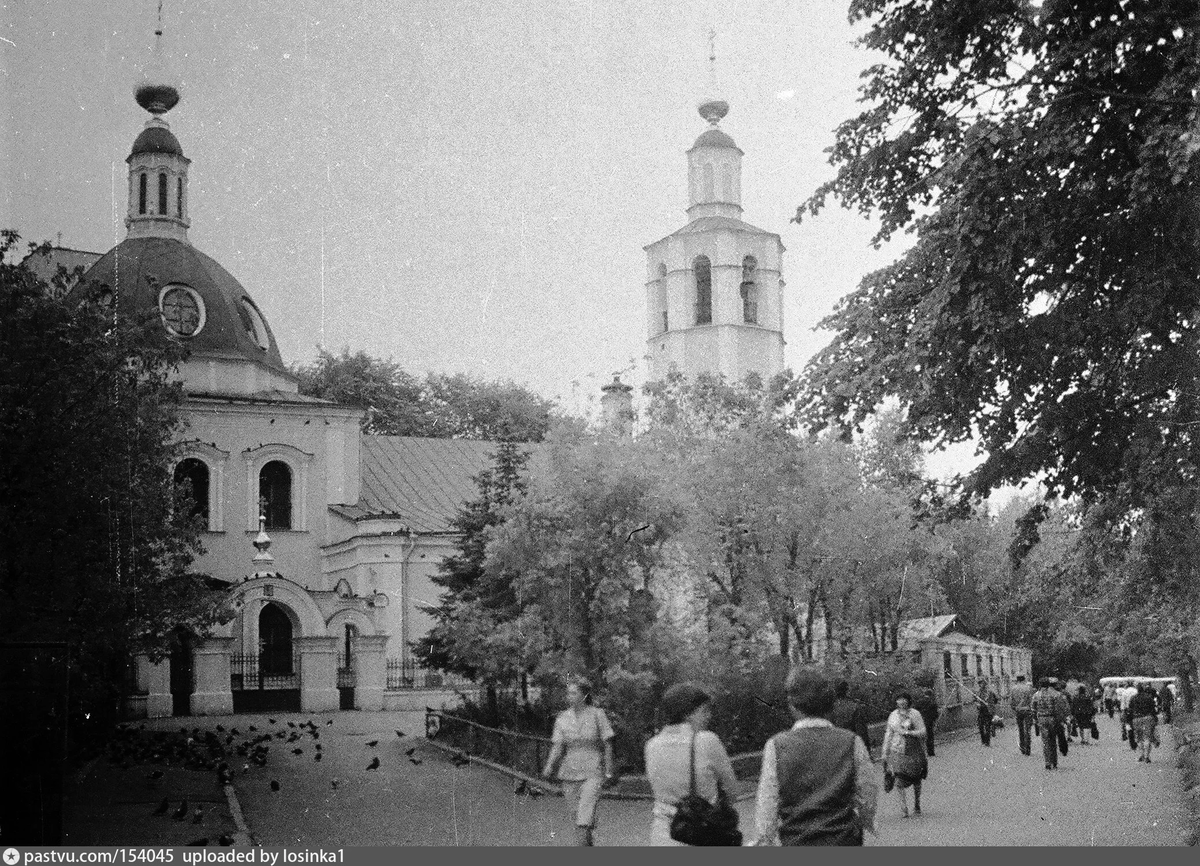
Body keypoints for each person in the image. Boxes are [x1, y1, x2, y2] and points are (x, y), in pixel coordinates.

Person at [751, 667, 877, 845]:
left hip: (798, 841)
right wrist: (867, 820)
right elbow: (867, 789)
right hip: (843, 840)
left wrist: (764, 840)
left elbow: (768, 801)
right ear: (829, 703)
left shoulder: (777, 746)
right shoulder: (851, 742)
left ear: (792, 705)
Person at [644, 682, 740, 846]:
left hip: (664, 834)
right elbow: (733, 791)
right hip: (703, 833)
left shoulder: (651, 745)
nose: (708, 716)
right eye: (704, 711)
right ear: (688, 714)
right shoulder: (707, 741)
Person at [542, 677, 617, 846]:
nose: (569, 696)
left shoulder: (597, 714)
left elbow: (607, 743)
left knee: (584, 818)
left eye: (574, 693)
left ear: (584, 695)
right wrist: (549, 766)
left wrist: (609, 770)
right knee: (578, 819)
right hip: (569, 772)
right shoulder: (562, 718)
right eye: (568, 693)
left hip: (593, 771)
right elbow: (558, 746)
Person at [881, 693, 927, 818]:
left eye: (904, 699)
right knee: (898, 780)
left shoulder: (915, 714)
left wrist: (908, 732)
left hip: (914, 750)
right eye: (899, 699)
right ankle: (903, 807)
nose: (901, 702)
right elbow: (888, 734)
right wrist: (884, 752)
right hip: (897, 750)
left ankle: (917, 804)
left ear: (908, 701)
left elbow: (923, 731)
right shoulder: (893, 716)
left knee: (916, 778)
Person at [828, 680, 872, 755]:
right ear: (847, 691)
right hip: (851, 746)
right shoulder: (854, 707)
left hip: (837, 749)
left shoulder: (830, 708)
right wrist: (867, 752)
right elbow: (862, 732)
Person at [1031, 678, 1067, 770]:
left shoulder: (1036, 695)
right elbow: (1058, 709)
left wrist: (1035, 719)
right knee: (1053, 740)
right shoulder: (1055, 694)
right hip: (1052, 718)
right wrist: (1060, 720)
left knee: (1045, 741)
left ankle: (1047, 762)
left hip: (1042, 719)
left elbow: (1033, 708)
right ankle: (1054, 761)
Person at [1129, 683, 1158, 763]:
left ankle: (1141, 754)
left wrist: (1130, 721)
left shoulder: (1133, 698)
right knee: (1147, 737)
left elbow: (1130, 710)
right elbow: (1153, 709)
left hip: (1136, 719)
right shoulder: (1149, 698)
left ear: (1137, 690)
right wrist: (1155, 719)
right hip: (1148, 718)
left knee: (1139, 738)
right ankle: (1146, 756)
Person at [1009, 675, 1034, 756]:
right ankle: (1028, 748)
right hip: (1027, 710)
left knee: (1021, 729)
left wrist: (1014, 708)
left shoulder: (1013, 689)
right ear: (1024, 680)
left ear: (1017, 680)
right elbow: (1031, 700)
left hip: (1018, 711)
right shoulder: (1028, 689)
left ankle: (1022, 746)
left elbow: (1011, 701)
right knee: (1027, 729)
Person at [913, 688, 939, 757]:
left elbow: (914, 712)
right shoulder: (932, 702)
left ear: (925, 694)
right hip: (929, 722)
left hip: (920, 722)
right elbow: (935, 714)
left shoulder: (919, 702)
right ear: (931, 695)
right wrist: (934, 720)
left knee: (920, 737)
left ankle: (919, 752)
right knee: (930, 737)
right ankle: (930, 752)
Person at [975, 680, 998, 746]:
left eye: (982, 683)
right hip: (981, 711)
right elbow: (975, 700)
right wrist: (977, 704)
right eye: (979, 684)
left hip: (988, 711)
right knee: (980, 726)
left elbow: (995, 699)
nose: (980, 685)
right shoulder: (978, 693)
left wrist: (991, 705)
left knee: (987, 726)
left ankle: (987, 741)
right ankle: (983, 740)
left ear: (985, 684)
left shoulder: (990, 692)